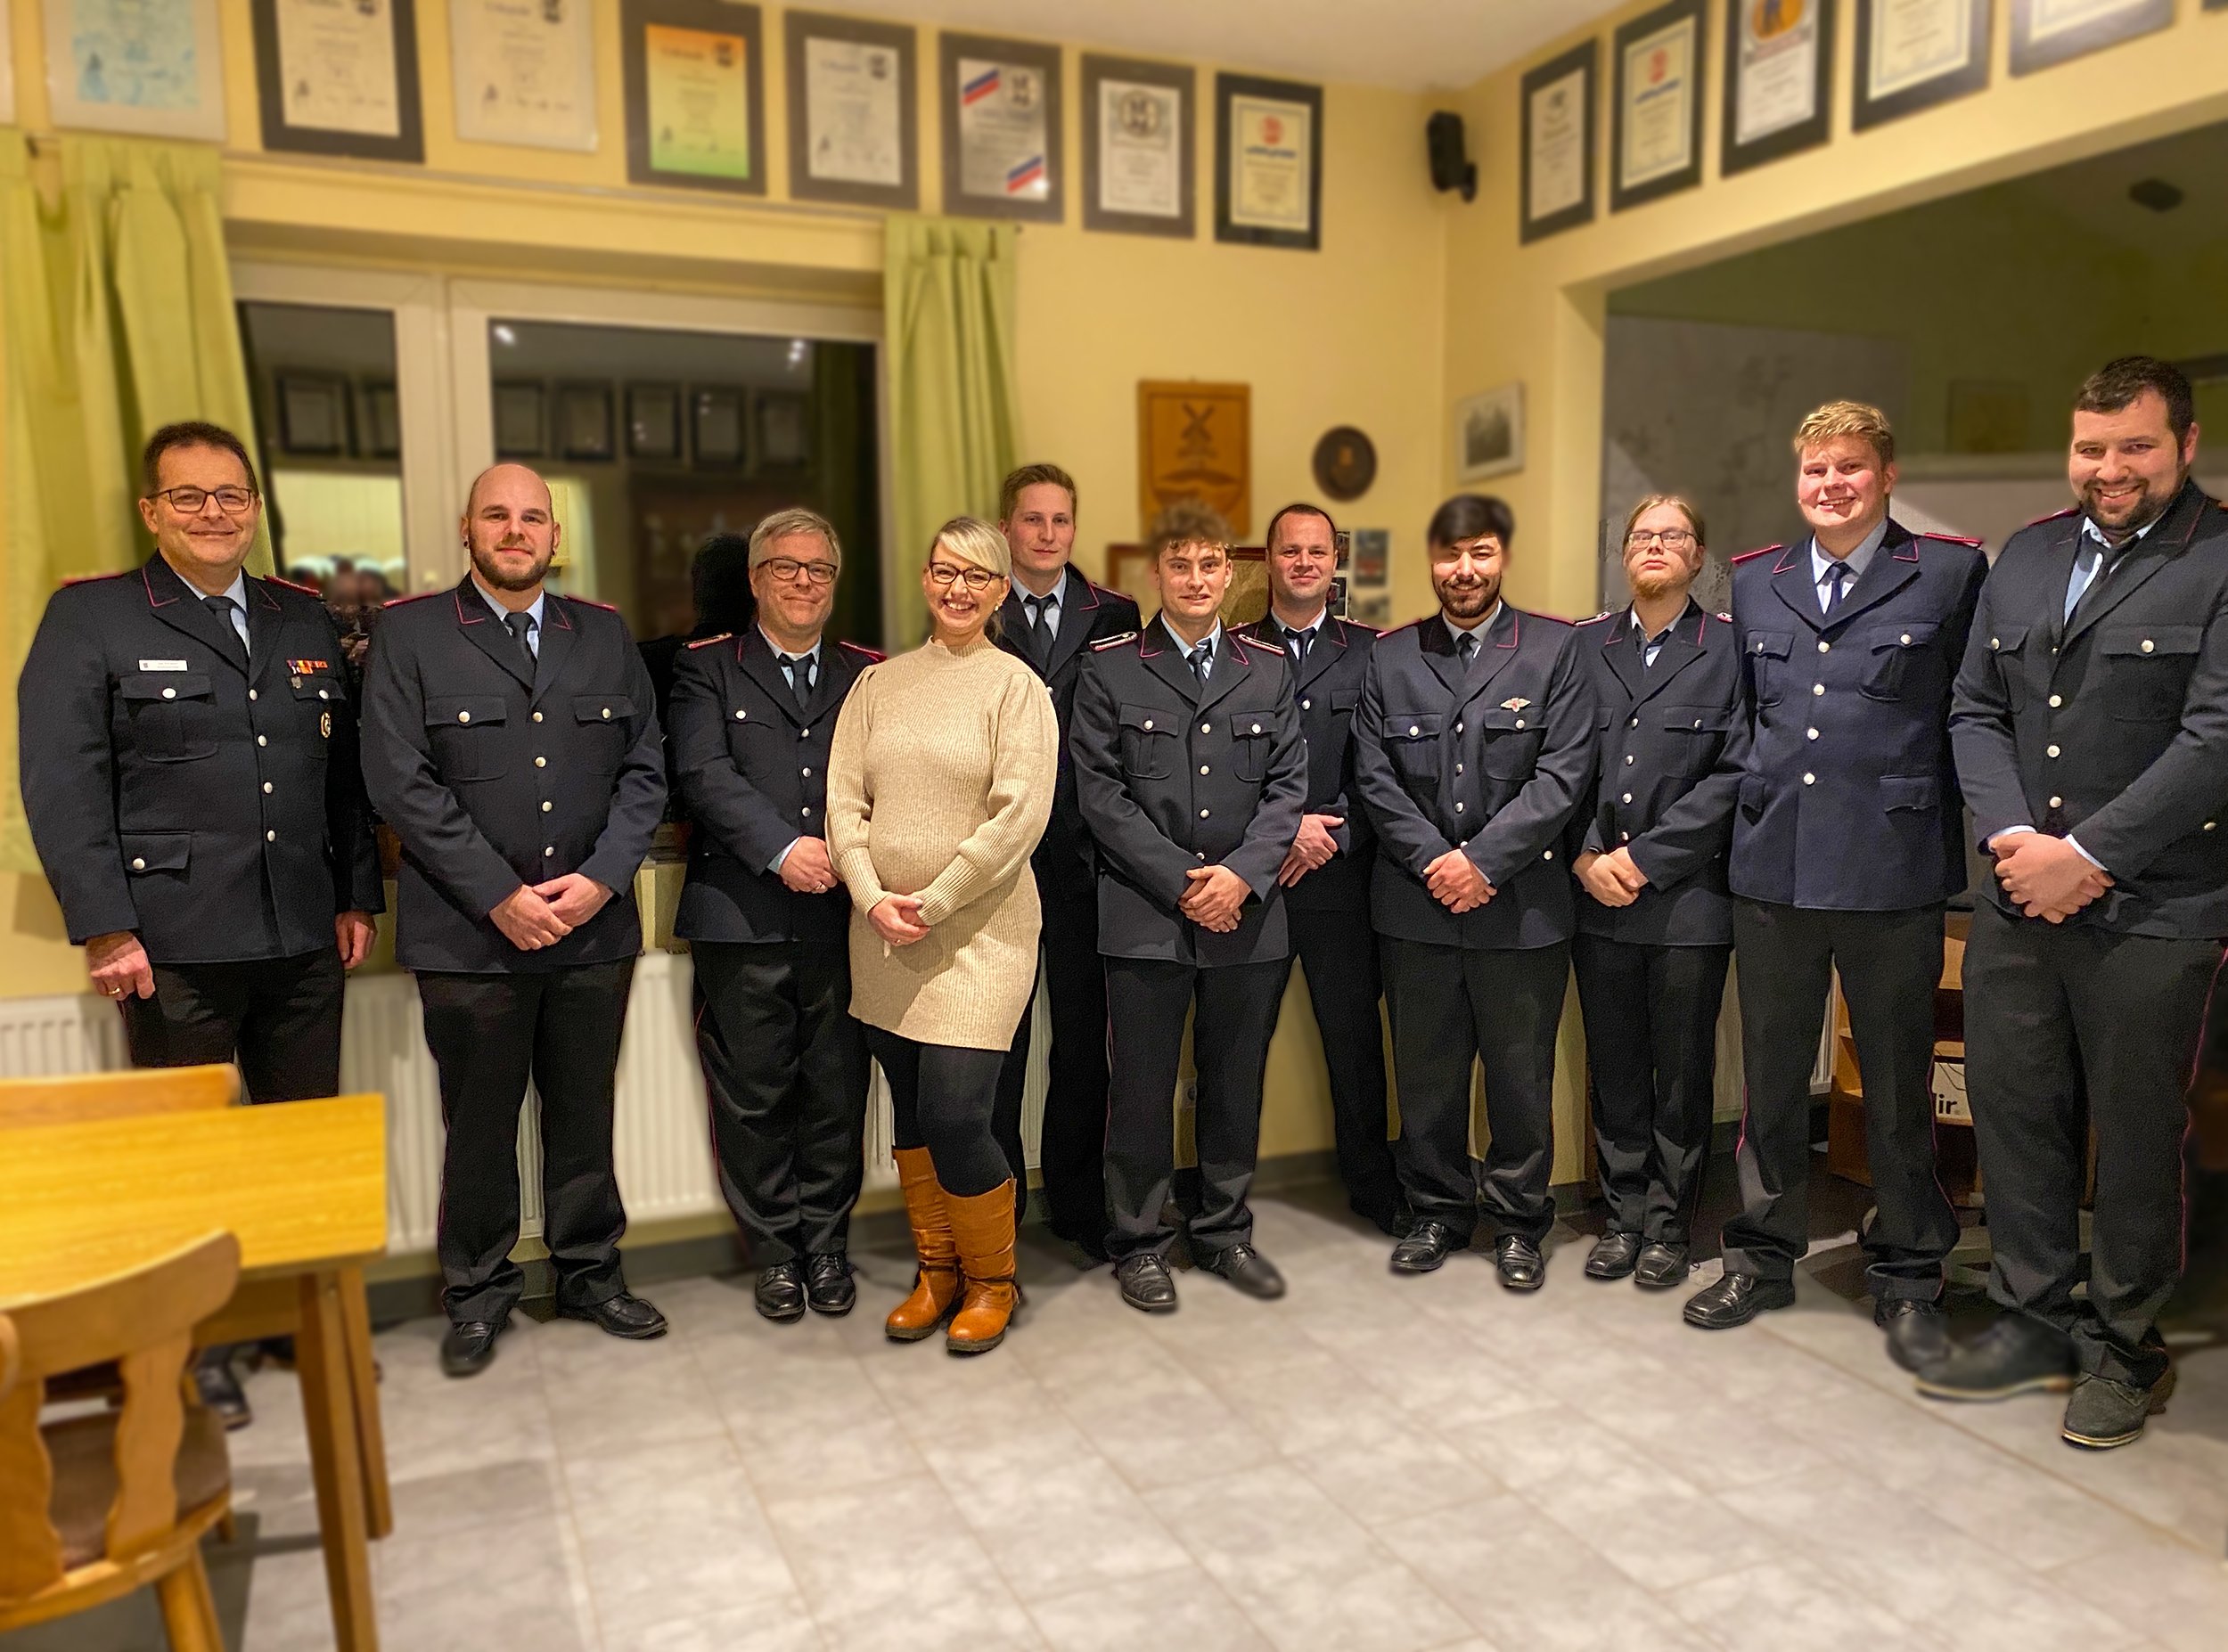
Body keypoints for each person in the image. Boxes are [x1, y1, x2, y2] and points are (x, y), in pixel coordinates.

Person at [20, 420, 382, 1428]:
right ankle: (202, 1344)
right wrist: (104, 925)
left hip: (304, 929)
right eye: (189, 497)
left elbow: (338, 776)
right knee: (191, 1157)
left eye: (230, 496)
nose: (213, 515)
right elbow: (63, 786)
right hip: (170, 938)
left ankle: (292, 1321)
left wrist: (355, 893)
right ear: (152, 510)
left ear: (255, 509)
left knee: (296, 1144)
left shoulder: (299, 617)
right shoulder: (90, 619)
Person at [1929, 356, 2228, 1448]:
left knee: (2138, 1136)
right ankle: (2030, 1312)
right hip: (2017, 897)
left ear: (2184, 445)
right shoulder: (2028, 553)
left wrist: (2086, 855)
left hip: (2155, 906)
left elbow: (2217, 740)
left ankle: (2124, 1344)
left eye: (2135, 447)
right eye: (2092, 447)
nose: (2110, 469)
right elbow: (1972, 708)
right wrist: (2017, 841)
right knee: (2016, 1117)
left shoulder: (2221, 558)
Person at [1683, 403, 1986, 1371]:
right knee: (1769, 1081)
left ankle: (1905, 1272)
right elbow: (1742, 725)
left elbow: (1970, 713)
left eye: (1849, 469)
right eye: (1814, 470)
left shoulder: (1944, 573)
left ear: (1885, 474)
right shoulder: (1756, 580)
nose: (1830, 486)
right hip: (1772, 864)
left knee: (1894, 1084)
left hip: (1890, 868)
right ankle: (1763, 1254)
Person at [361, 462, 669, 1378]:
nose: (515, 530)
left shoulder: (606, 636)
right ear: (467, 529)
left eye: (533, 517)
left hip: (591, 930)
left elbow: (646, 768)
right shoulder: (411, 634)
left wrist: (605, 880)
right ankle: (479, 1293)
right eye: (496, 515)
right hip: (468, 934)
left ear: (554, 538)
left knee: (583, 1112)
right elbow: (397, 781)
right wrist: (498, 894)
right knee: (480, 1124)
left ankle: (588, 1273)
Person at [824, 518, 1058, 1354]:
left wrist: (937, 896)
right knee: (916, 1116)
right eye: (945, 572)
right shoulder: (877, 685)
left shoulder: (1017, 689)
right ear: (925, 578)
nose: (959, 589)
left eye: (979, 578)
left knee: (961, 1113)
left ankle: (993, 1281)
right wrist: (871, 894)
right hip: (883, 934)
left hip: (981, 938)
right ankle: (938, 1273)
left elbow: (1020, 816)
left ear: (1000, 592)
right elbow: (843, 804)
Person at [1070, 501, 1307, 1313]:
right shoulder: (1109, 668)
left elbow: (1288, 791)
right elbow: (1101, 797)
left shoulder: (1270, 668)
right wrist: (1184, 881)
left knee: (1234, 1081)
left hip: (1249, 913)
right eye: (1181, 565)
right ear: (1155, 573)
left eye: (1211, 565)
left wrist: (1241, 877)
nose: (1197, 580)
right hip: (1145, 916)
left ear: (1229, 573)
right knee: (1139, 1088)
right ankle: (1138, 1240)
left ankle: (1224, 1232)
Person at [1354, 495, 1594, 1289]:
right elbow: (1375, 777)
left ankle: (1521, 1221)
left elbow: (1563, 775)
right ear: (1432, 561)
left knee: (1520, 1076)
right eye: (1451, 555)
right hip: (1416, 907)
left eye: (1481, 554)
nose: (1464, 571)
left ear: (1502, 558)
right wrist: (1437, 862)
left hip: (1520, 906)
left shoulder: (1555, 651)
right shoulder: (1391, 657)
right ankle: (1435, 1211)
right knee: (1424, 1073)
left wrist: (1483, 863)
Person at [668, 510, 880, 1324]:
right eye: (785, 568)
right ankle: (776, 1254)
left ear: (833, 582)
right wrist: (782, 849)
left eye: (818, 570)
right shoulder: (706, 669)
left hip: (840, 916)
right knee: (753, 1098)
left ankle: (827, 1245)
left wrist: (849, 854)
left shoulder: (868, 673)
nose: (802, 582)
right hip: (742, 914)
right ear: (755, 580)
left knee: (834, 1089)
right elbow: (702, 771)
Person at [1568, 495, 1748, 1291]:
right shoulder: (1581, 647)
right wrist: (1583, 856)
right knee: (1615, 1068)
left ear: (1698, 556)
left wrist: (1647, 860)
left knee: (1679, 1075)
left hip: (1686, 902)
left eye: (1673, 536)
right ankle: (1622, 1217)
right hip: (1593, 892)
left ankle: (1670, 1227)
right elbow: (1555, 764)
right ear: (1624, 553)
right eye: (1643, 536)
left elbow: (1737, 773)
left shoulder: (1733, 650)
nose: (1655, 547)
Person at [1236, 502, 1405, 1235]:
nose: (1303, 563)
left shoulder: (1375, 652)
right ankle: (1222, 1200)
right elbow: (1218, 778)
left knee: (1355, 1046)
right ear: (1268, 561)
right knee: (1236, 1046)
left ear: (1335, 562)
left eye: (1316, 552)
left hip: (1342, 879)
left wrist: (1330, 834)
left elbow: (1388, 769)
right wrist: (1282, 835)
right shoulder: (1232, 649)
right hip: (1255, 887)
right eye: (1289, 551)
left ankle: (1372, 1187)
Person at [992, 463, 1142, 1257]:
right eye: (1032, 520)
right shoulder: (975, 606)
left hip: (1089, 859)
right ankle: (1000, 1217)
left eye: (1060, 521)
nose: (1047, 535)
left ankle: (1081, 1208)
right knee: (1000, 1043)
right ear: (1007, 527)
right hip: (1002, 862)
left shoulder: (1115, 614)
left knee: (1085, 1044)